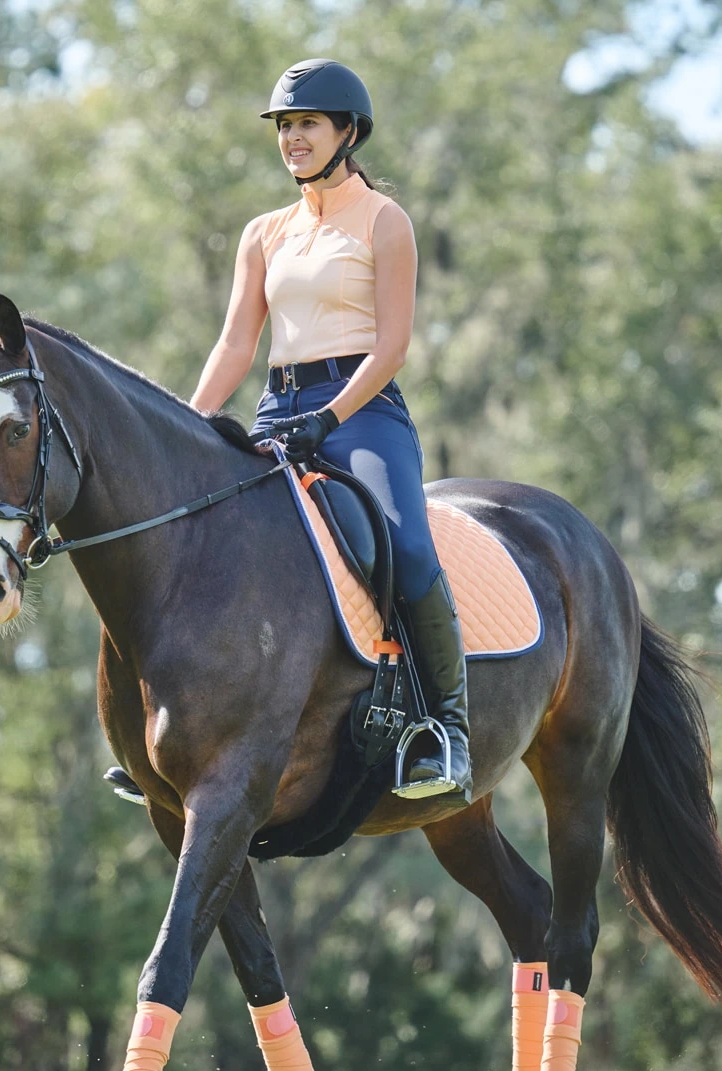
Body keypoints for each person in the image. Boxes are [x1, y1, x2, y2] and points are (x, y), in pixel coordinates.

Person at [190, 59, 471, 806]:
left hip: (362, 412)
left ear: (347, 132)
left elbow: (393, 347)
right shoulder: (263, 233)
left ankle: (445, 725)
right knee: (202, 535)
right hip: (276, 410)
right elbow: (235, 347)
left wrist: (330, 417)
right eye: (285, 126)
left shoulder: (385, 220)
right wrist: (189, 424)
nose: (293, 138)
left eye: (308, 124)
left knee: (406, 545)